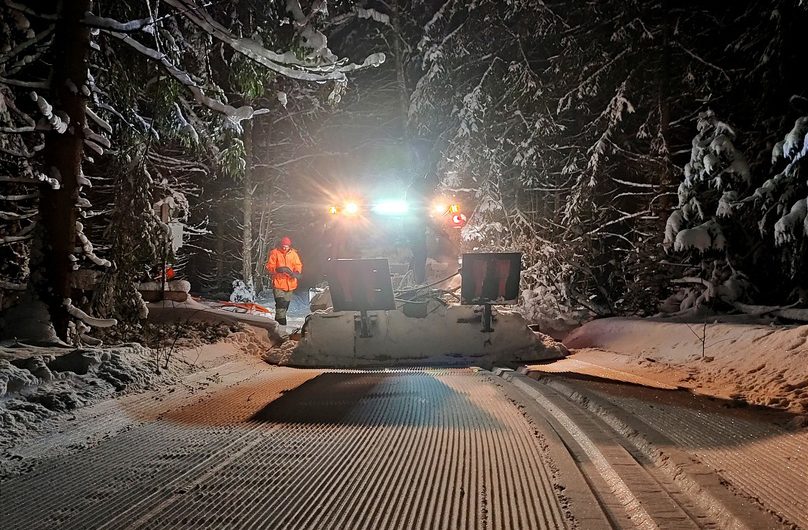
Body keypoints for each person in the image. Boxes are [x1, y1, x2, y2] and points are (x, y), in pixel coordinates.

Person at [265, 236, 302, 326]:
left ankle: (276, 326)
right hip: (278, 284)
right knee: (280, 306)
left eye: (286, 246)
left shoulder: (293, 254)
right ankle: (282, 326)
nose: (285, 248)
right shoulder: (275, 253)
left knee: (284, 307)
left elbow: (298, 265)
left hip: (290, 284)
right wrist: (277, 269)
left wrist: (296, 272)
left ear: (289, 246)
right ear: (281, 245)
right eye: (283, 246)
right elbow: (269, 267)